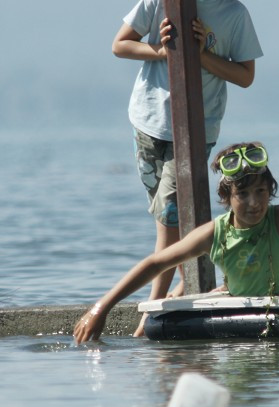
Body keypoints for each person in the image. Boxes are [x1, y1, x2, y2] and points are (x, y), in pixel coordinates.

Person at [74, 106, 279, 343]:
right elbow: (156, 263)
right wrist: (102, 307)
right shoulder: (216, 233)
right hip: (241, 330)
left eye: (261, 192)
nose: (254, 202)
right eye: (242, 194)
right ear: (227, 196)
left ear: (271, 191)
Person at [112, 0, 263, 335]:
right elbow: (120, 44)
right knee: (171, 219)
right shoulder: (159, 3)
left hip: (198, 125)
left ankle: (150, 316)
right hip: (147, 122)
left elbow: (246, 75)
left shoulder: (234, 14)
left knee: (169, 221)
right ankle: (185, 289)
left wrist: (201, 55)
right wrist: (161, 49)